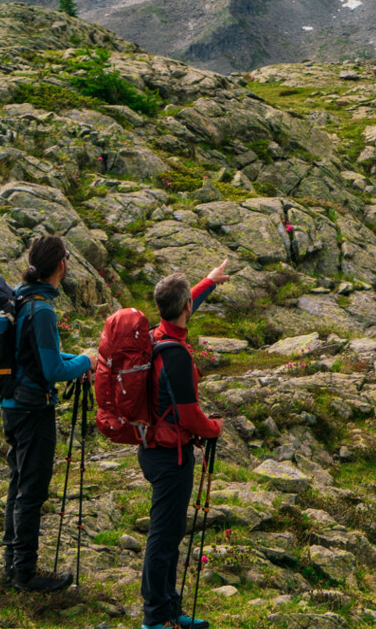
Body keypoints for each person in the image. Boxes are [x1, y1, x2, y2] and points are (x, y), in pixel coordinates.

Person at [140, 261, 228, 629]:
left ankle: (169, 609)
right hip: (171, 457)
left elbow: (183, 301)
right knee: (164, 537)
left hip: (154, 450)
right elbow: (190, 415)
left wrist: (208, 281)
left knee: (171, 533)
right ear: (184, 310)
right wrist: (214, 429)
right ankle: (155, 617)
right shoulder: (175, 356)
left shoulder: (156, 335)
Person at [2, 235, 93, 592]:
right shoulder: (41, 308)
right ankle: (25, 573)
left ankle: (14, 564)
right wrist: (87, 360)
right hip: (32, 408)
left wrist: (81, 360)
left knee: (18, 484)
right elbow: (52, 369)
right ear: (62, 265)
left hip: (13, 403)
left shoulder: (22, 296)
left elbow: (41, 361)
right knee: (32, 490)